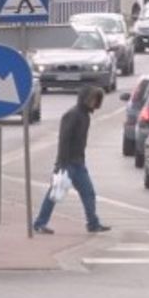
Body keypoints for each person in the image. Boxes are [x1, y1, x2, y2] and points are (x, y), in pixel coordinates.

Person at [32, 85, 111, 234]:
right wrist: (62, 163)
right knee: (54, 193)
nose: (94, 102)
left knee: (88, 193)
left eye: (96, 100)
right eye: (92, 99)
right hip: (67, 162)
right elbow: (64, 139)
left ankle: (93, 223)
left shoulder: (85, 116)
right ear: (85, 98)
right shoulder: (73, 114)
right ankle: (39, 223)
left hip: (78, 162)